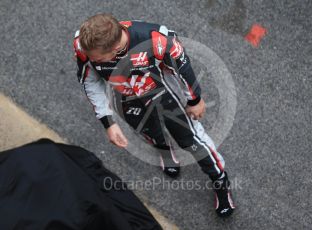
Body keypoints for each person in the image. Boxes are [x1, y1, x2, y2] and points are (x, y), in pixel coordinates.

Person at [73, 13, 235, 217]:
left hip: (163, 91)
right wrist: (107, 121)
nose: (91, 60)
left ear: (115, 49)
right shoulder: (84, 44)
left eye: (97, 59)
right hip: (126, 97)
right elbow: (90, 80)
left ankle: (219, 179)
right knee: (147, 130)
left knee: (190, 139)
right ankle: (165, 152)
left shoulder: (156, 38)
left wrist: (194, 99)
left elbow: (182, 66)